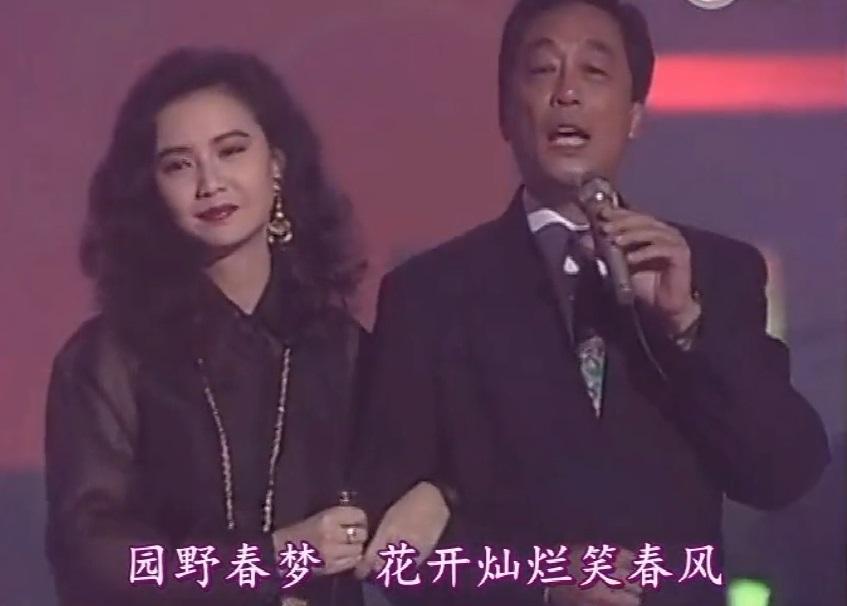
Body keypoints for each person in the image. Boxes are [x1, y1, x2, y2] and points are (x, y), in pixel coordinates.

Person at [352, 1, 831, 604]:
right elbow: (391, 543)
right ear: (505, 111)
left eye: (594, 71)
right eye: (542, 70)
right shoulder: (429, 295)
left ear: (635, 114)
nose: (567, 93)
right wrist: (542, 585)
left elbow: (781, 473)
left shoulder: (714, 271)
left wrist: (686, 327)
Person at [45, 48, 369, 606]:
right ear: (150, 190)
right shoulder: (107, 358)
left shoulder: (342, 348)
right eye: (179, 165)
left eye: (231, 151)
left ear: (277, 164)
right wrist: (271, 561)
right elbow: (90, 553)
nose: (210, 183)